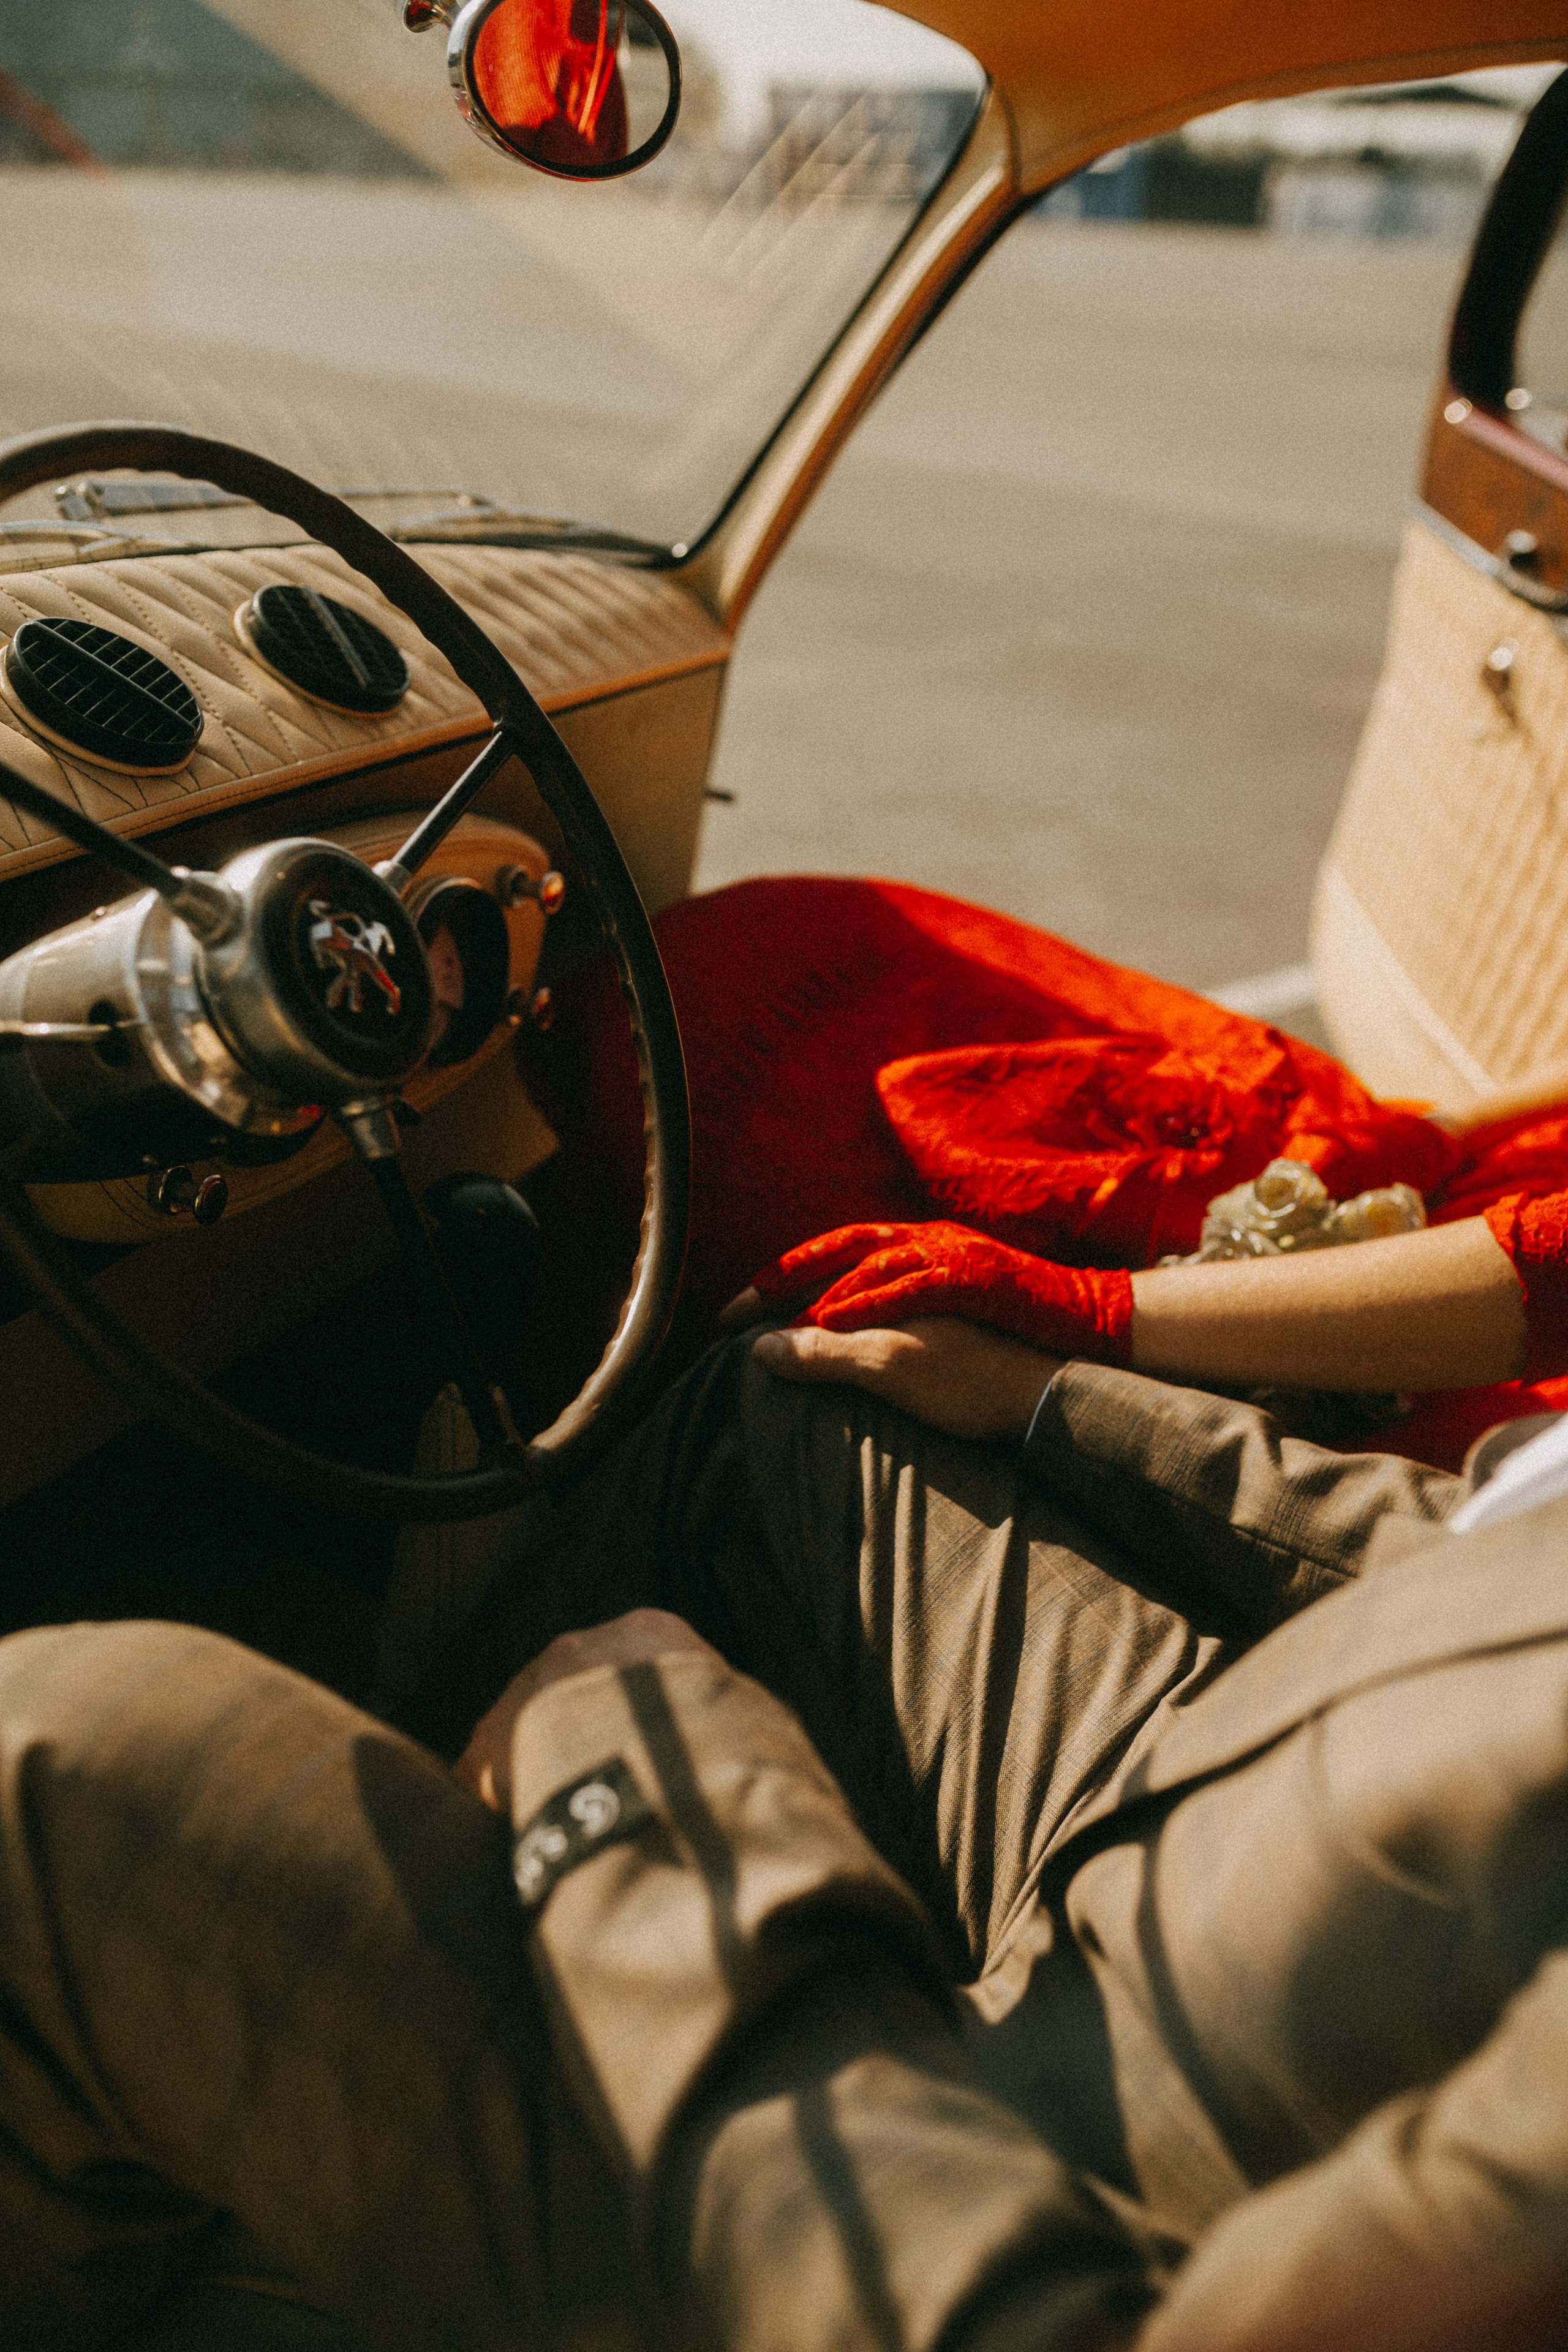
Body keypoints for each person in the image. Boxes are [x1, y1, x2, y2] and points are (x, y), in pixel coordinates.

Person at [4, 1286, 1568, 2352]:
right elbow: (1502, 1535)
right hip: (1265, 1799)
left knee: (78, 1766)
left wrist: (638, 1803)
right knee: (774, 1420)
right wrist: (1045, 1400)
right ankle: (397, 2028)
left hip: (1039, 2188)